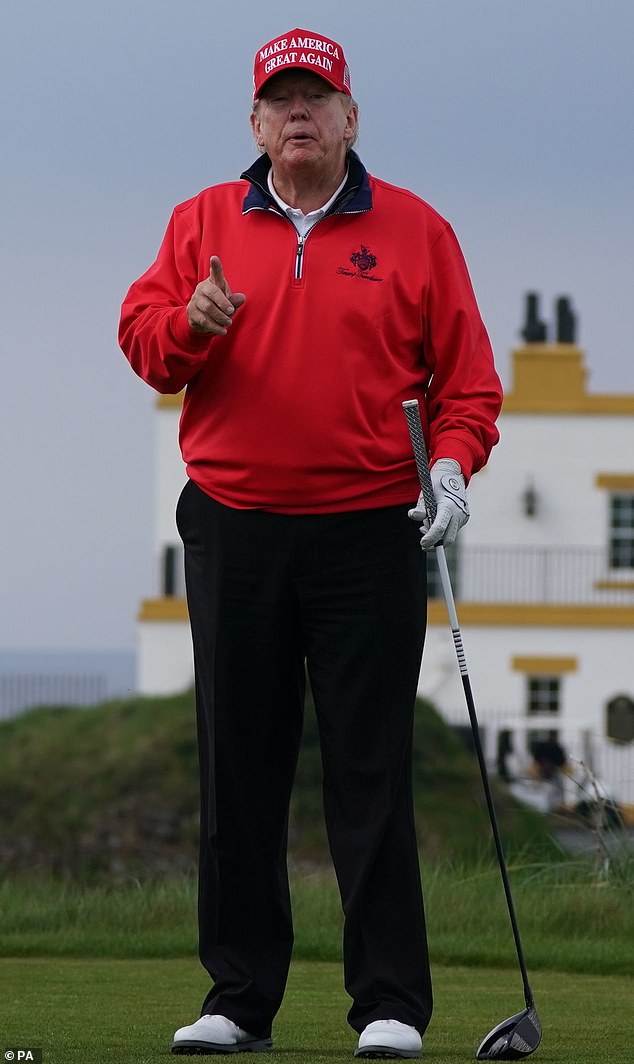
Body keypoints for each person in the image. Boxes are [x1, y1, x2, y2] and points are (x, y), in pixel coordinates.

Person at [119, 28, 502, 1059]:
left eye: (316, 96)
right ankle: (239, 996)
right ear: (254, 122)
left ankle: (388, 1002)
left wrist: (453, 467)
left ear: (349, 117)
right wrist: (193, 324)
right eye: (279, 97)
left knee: (367, 765)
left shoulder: (417, 231)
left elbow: (467, 384)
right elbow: (147, 348)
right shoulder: (200, 221)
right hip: (235, 524)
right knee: (237, 764)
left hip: (369, 528)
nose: (298, 112)